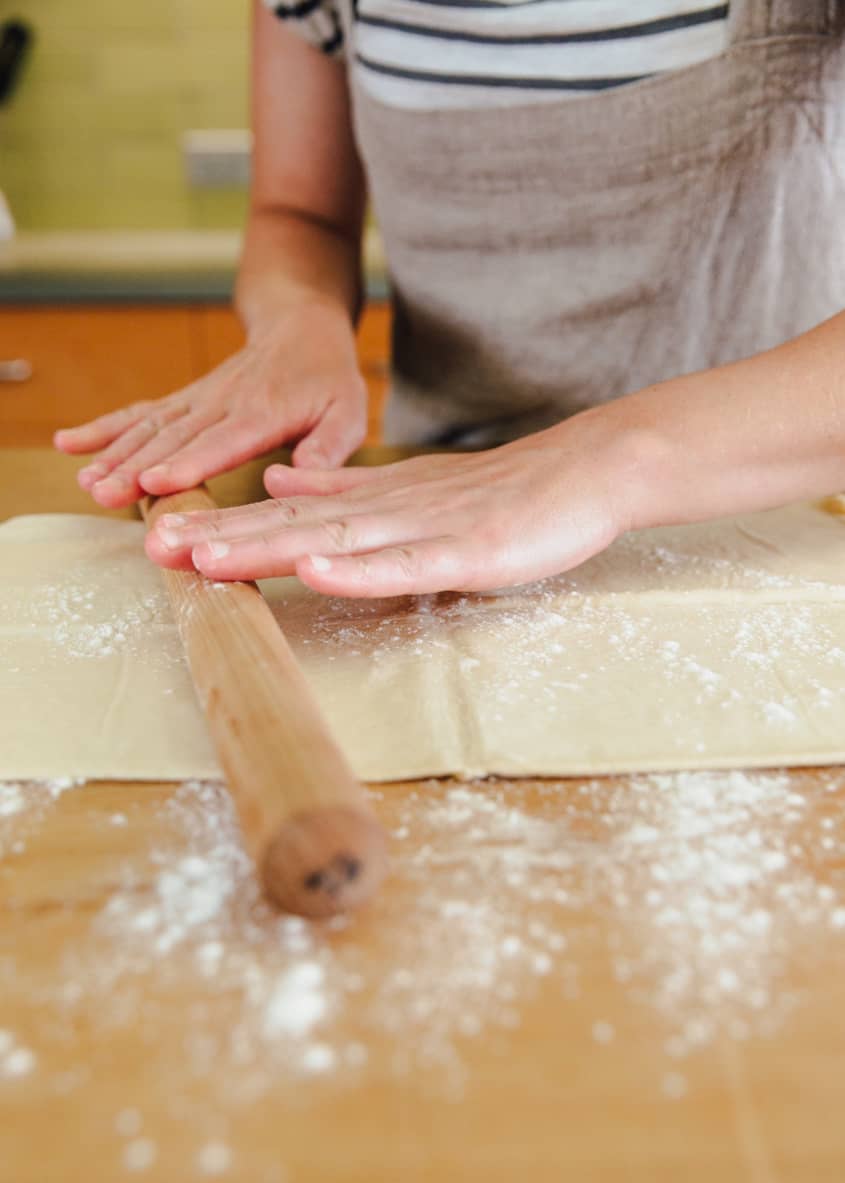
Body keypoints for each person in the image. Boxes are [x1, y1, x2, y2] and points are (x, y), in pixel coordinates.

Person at [55, 1, 845, 598]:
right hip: (426, 503)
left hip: (777, 516)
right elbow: (299, 214)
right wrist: (300, 318)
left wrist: (604, 461)